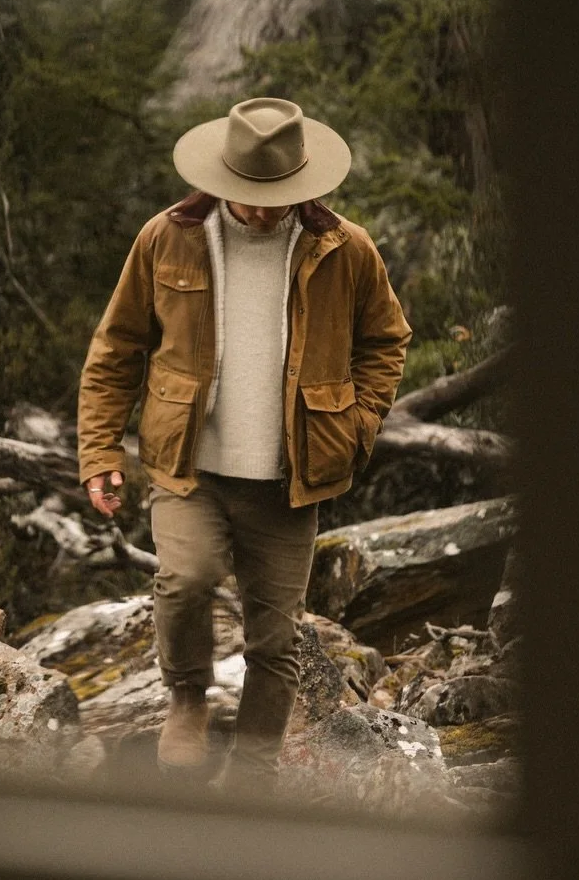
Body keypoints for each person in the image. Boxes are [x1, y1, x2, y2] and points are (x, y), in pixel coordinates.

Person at [77, 98, 411, 783]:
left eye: (277, 198)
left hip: (290, 479)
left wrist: (358, 425)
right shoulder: (167, 237)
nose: (262, 212)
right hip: (188, 466)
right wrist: (99, 452)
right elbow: (117, 348)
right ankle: (188, 698)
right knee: (185, 579)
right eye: (249, 198)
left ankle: (252, 774)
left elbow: (387, 339)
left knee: (276, 636)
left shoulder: (346, 249)